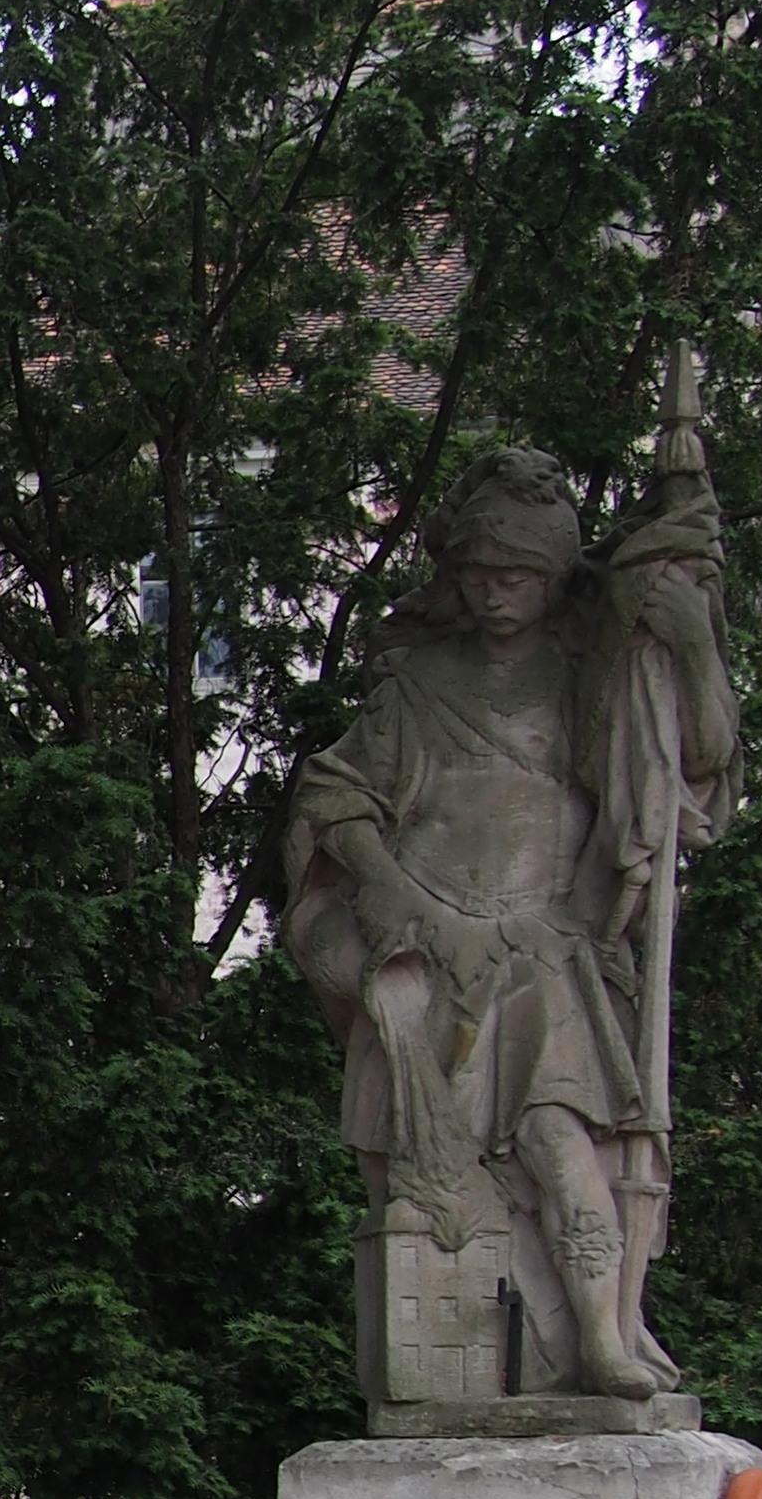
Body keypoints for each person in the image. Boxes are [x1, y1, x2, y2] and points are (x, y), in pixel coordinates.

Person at [284, 438, 738, 1400]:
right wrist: (385, 891)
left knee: (562, 1143)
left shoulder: (591, 679)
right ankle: (466, 1369)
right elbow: (333, 795)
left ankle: (602, 1337)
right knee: (421, 1185)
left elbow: (686, 767)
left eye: (518, 575)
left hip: (541, 955)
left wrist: (691, 642)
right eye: (479, 574)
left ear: (553, 576)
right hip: (424, 951)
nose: (494, 593)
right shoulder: (418, 682)